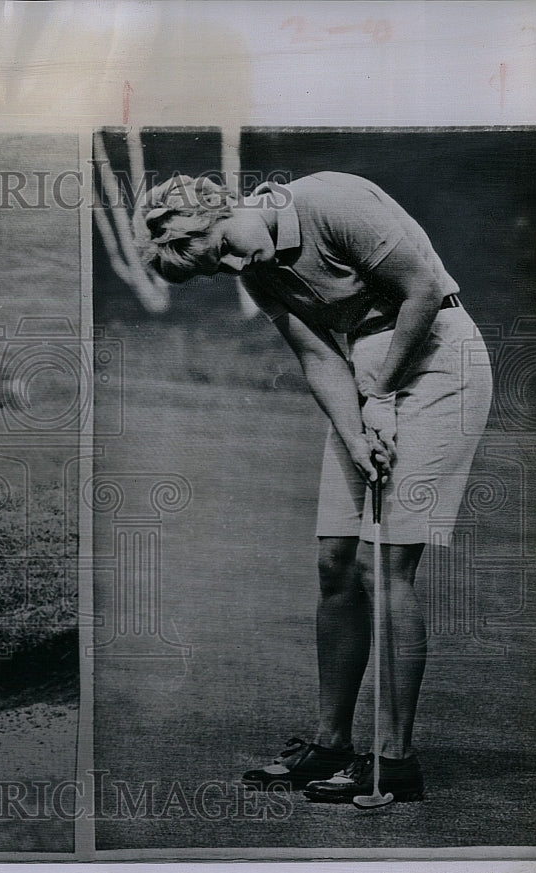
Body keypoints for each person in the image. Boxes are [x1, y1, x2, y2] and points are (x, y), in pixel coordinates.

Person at [137, 171, 492, 803]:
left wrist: (380, 395)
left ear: (224, 207)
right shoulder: (258, 268)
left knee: (381, 564)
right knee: (335, 564)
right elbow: (318, 356)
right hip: (366, 372)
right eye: (219, 269)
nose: (235, 264)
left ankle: (394, 762)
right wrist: (356, 433)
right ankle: (332, 744)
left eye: (223, 247)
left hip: (440, 364)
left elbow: (423, 290)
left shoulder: (334, 202)